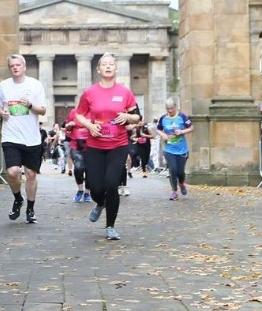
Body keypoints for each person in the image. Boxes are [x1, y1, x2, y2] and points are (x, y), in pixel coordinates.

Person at [74, 53, 141, 241]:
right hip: (95, 144)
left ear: (116, 68)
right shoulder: (90, 93)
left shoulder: (124, 92)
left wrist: (128, 117)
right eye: (104, 64)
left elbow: (137, 116)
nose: (108, 67)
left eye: (111, 64)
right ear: (98, 69)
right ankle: (100, 203)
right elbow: (79, 115)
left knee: (111, 183)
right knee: (95, 188)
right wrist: (89, 126)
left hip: (118, 144)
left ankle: (110, 226)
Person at [0, 53, 47, 223]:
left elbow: (43, 110)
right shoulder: (4, 85)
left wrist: (30, 105)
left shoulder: (35, 85)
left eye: (18, 65)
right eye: (12, 66)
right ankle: (18, 199)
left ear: (24, 67)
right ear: (10, 68)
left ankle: (30, 209)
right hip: (11, 135)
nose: (15, 68)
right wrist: (1, 111)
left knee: (31, 175)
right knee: (13, 171)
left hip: (31, 138)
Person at [156, 96, 193, 200]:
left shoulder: (182, 116)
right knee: (173, 169)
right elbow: (158, 129)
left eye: (171, 108)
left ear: (175, 107)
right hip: (169, 150)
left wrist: (182, 131)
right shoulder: (163, 118)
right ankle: (174, 192)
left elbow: (191, 127)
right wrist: (163, 135)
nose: (170, 110)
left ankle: (181, 183)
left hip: (182, 149)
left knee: (180, 172)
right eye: (167, 108)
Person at [65, 105, 91, 204]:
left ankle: (87, 193)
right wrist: (69, 125)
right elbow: (67, 129)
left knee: (90, 169)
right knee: (79, 168)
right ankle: (80, 189)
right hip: (76, 144)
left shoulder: (95, 111)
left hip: (91, 145)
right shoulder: (74, 112)